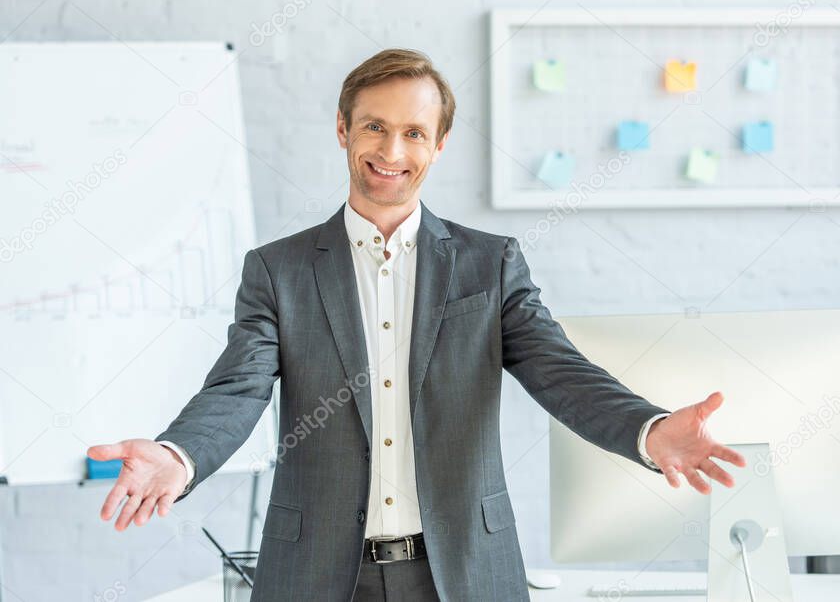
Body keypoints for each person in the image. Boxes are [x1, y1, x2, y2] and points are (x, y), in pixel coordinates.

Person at [88, 48, 745, 601]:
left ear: (439, 144)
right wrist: (179, 454)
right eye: (374, 127)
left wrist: (648, 429)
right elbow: (238, 389)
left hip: (460, 570)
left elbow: (558, 370)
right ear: (343, 129)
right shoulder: (278, 270)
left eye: (414, 132)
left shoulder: (489, 266)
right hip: (316, 574)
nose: (391, 150)